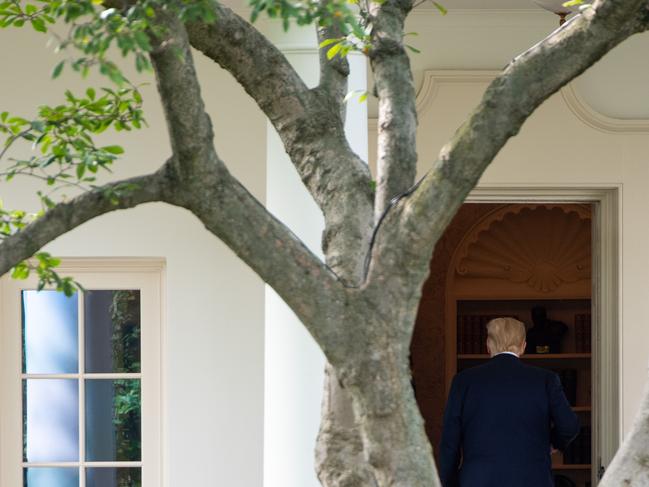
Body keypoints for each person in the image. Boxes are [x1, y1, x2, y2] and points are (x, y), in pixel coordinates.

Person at [439, 317, 579, 487]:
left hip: (477, 480)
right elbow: (570, 426)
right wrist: (552, 443)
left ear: (488, 345)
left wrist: (448, 482)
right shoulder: (546, 380)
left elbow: (449, 441)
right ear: (523, 346)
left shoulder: (463, 381)